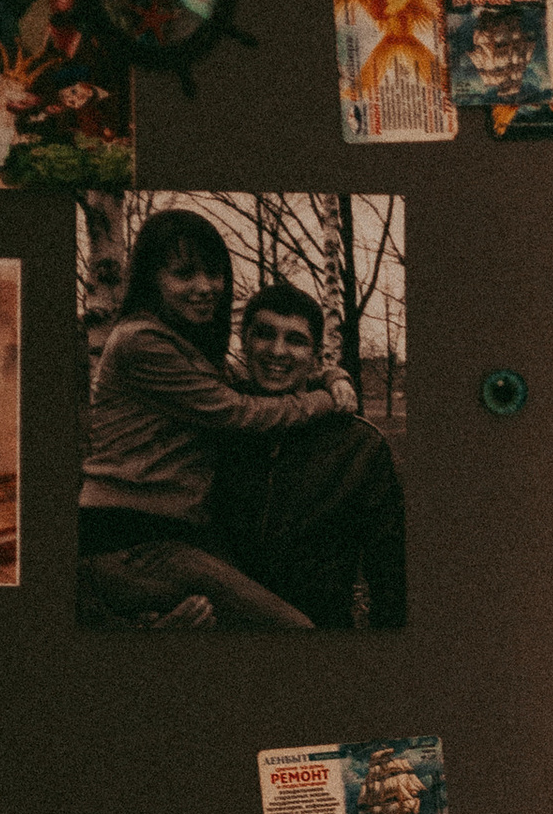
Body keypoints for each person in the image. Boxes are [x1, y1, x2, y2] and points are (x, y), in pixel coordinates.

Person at [75, 211, 355, 629]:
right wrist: (324, 400)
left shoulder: (185, 346)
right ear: (151, 279)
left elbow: (248, 381)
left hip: (171, 537)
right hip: (131, 541)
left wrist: (329, 374)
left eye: (214, 273)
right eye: (184, 274)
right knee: (295, 629)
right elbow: (240, 412)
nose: (205, 287)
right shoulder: (141, 341)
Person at [207, 276, 407, 630]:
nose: (277, 351)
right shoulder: (212, 427)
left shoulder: (359, 446)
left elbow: (391, 577)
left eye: (295, 340)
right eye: (264, 334)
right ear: (244, 342)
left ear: (315, 356)